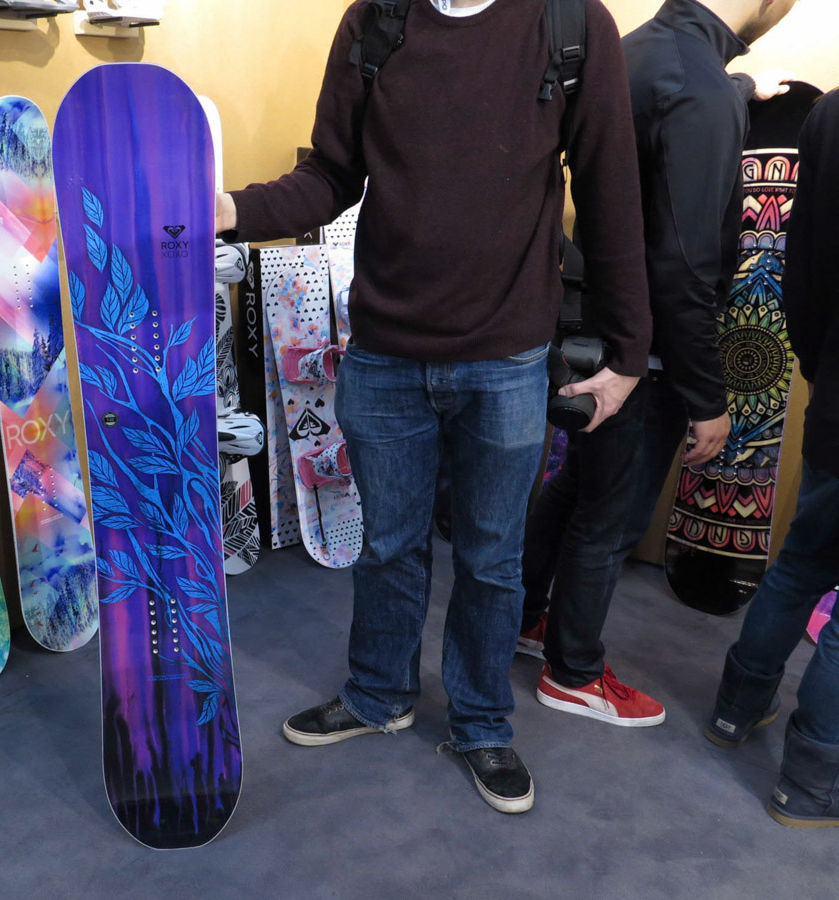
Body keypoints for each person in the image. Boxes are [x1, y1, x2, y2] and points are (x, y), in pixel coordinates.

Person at [216, 0, 652, 813]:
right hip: (385, 354)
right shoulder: (377, 20)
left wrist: (629, 350)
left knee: (491, 559)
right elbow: (330, 175)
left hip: (507, 358)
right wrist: (231, 211)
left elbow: (609, 192)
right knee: (387, 546)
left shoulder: (570, 24)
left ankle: (483, 723)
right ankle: (379, 693)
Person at [517, 0, 800, 726]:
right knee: (610, 516)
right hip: (644, 350)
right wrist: (708, 396)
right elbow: (685, 268)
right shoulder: (697, 87)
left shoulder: (638, 50)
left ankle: (526, 618)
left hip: (592, 324)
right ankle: (573, 673)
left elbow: (653, 146)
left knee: (578, 488)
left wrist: (739, 89)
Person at [705, 88, 839, 829]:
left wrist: (823, 368)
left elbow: (803, 272)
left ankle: (736, 706)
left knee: (801, 562)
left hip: (837, 392)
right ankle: (812, 783)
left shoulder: (831, 116)